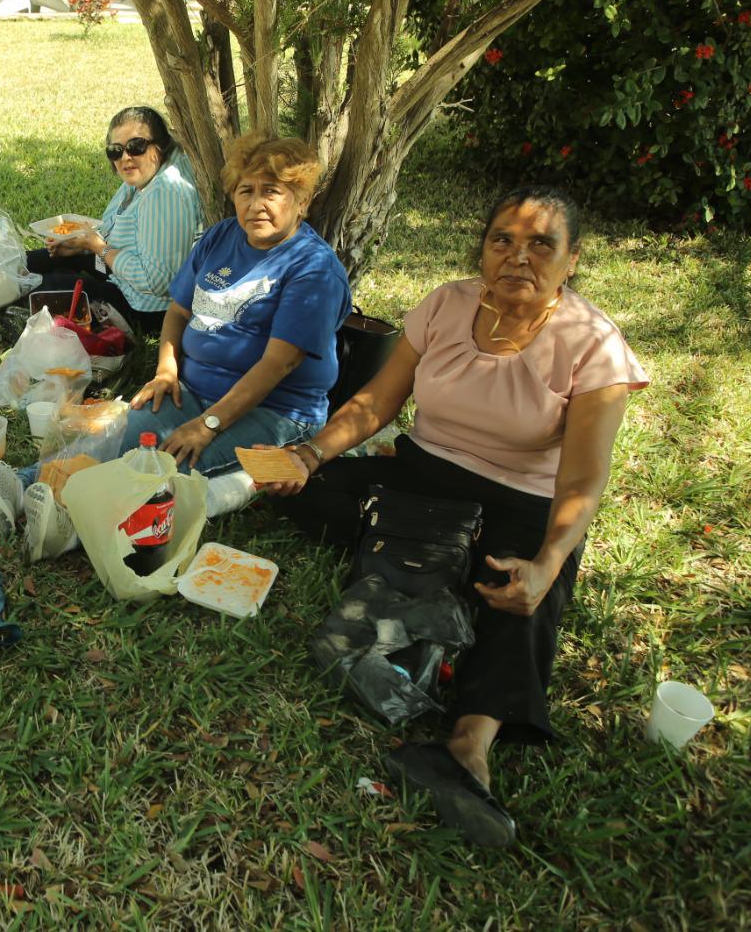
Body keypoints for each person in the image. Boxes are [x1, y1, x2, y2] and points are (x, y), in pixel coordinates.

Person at [261, 186, 649, 847]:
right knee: (305, 490)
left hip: (520, 498)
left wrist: (550, 559)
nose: (518, 257)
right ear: (483, 249)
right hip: (421, 473)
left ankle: (468, 748)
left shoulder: (593, 344)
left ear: (573, 259)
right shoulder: (446, 304)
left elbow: (583, 479)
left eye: (541, 245)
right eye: (503, 240)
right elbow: (375, 404)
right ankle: (440, 577)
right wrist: (309, 453)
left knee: (525, 591)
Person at [0, 134, 350, 560]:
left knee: (165, 467)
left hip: (275, 412)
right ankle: (19, 485)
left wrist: (208, 424)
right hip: (193, 390)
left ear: (301, 201)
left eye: (271, 191)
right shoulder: (222, 238)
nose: (256, 204)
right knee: (119, 435)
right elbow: (177, 311)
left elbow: (277, 365)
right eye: (245, 191)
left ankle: (68, 529)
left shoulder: (313, 269)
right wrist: (166, 371)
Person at [26, 105, 205, 333]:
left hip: (142, 306)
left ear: (158, 146)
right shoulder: (150, 171)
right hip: (122, 273)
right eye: (115, 151)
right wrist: (83, 247)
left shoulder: (165, 194)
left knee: (43, 287)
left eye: (136, 146)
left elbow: (157, 282)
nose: (126, 157)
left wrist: (99, 247)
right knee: (42, 259)